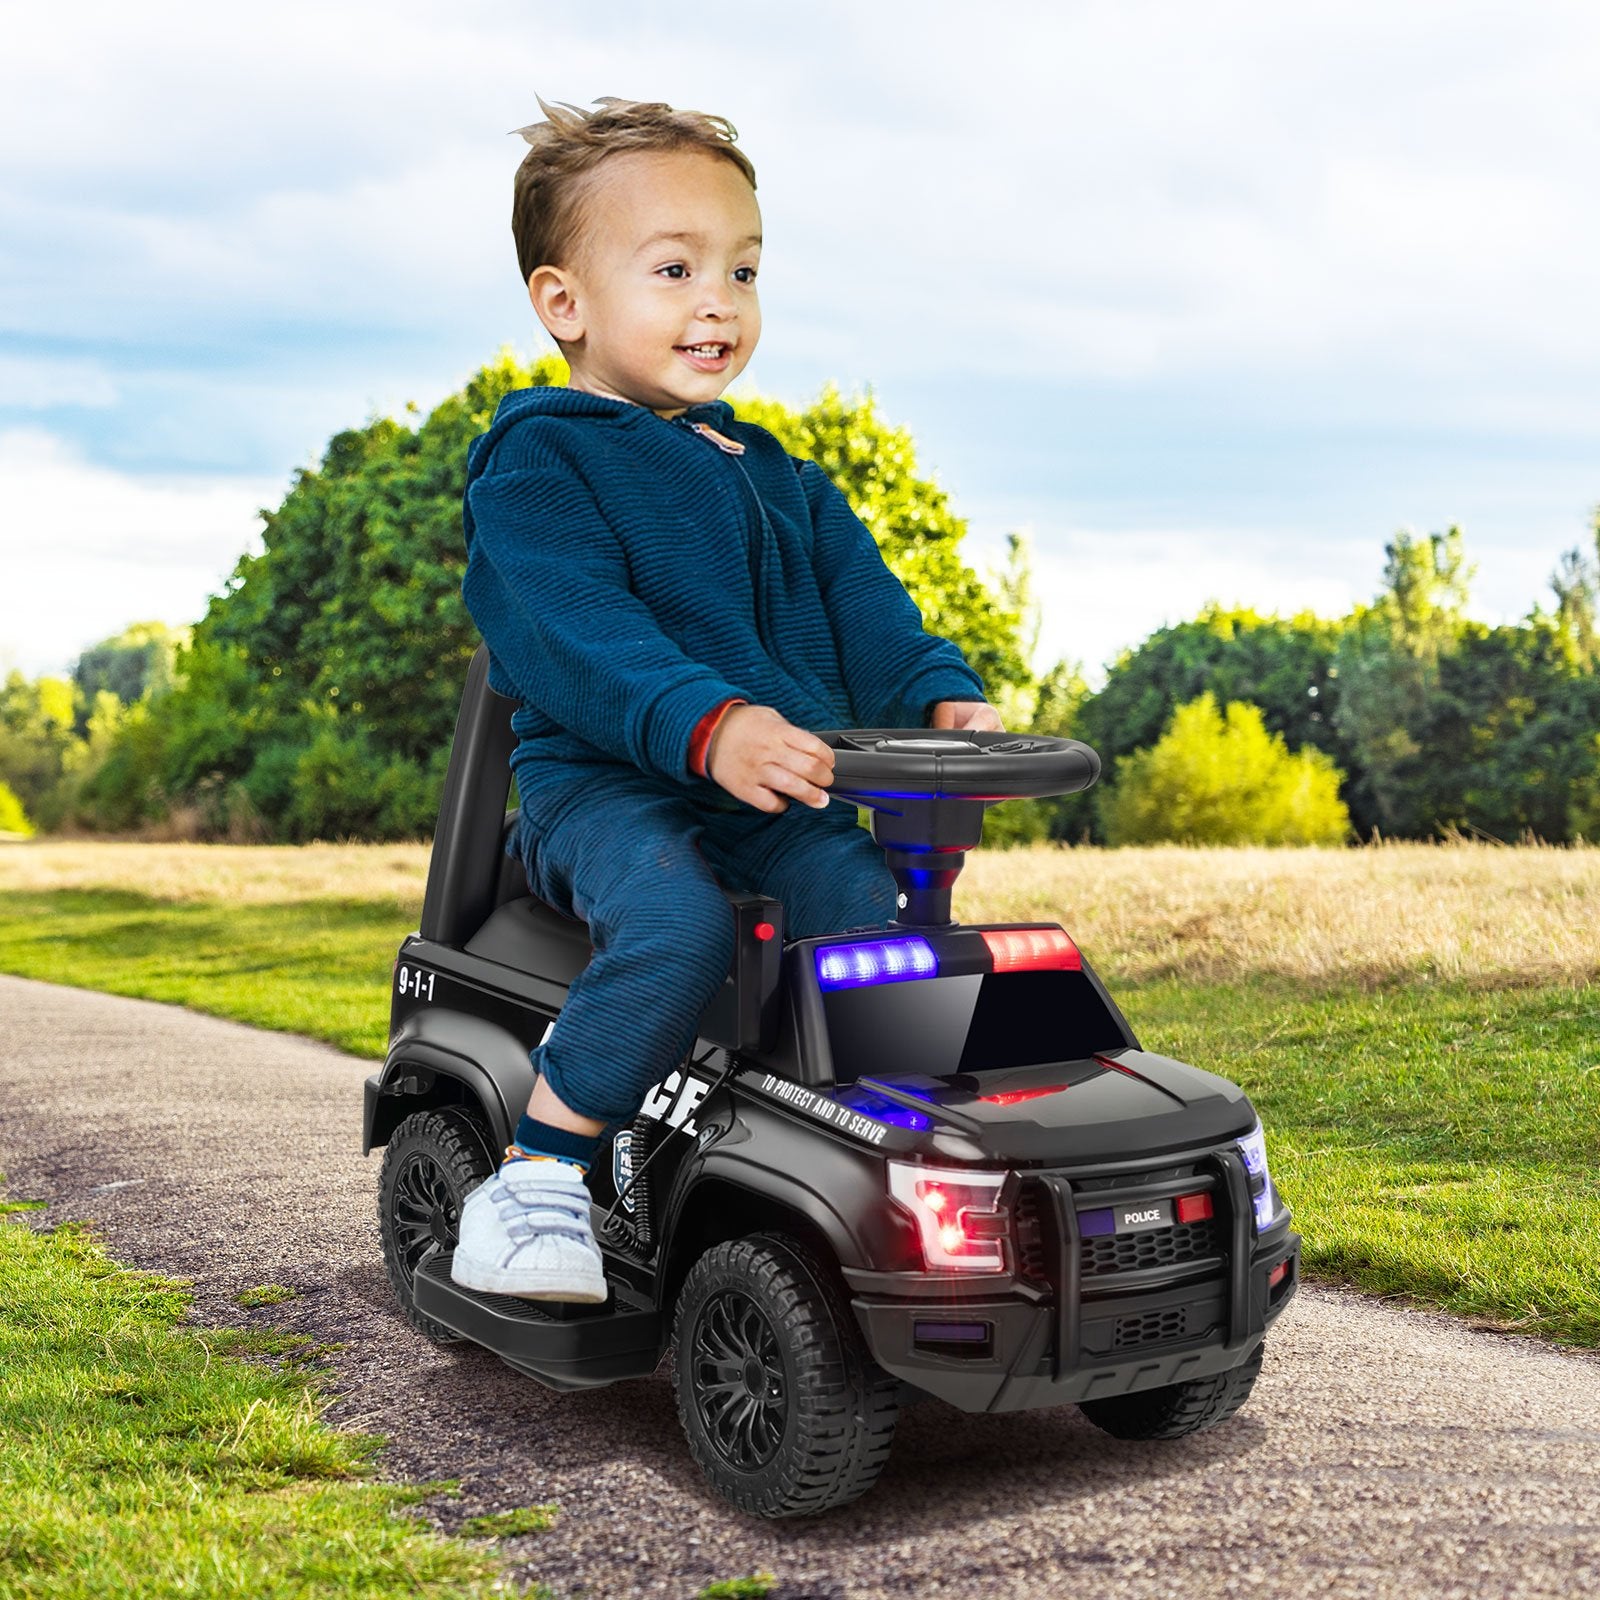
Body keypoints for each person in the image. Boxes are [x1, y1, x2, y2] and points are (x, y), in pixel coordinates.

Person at [451, 96, 1000, 1302]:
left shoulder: (780, 479)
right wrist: (709, 721)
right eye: (675, 269)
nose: (719, 301)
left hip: (762, 791)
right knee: (678, 927)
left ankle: (889, 1155)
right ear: (564, 303)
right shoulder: (537, 464)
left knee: (868, 906)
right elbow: (580, 637)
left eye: (742, 270)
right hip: (606, 791)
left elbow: (870, 614)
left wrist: (937, 696)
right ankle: (538, 1175)